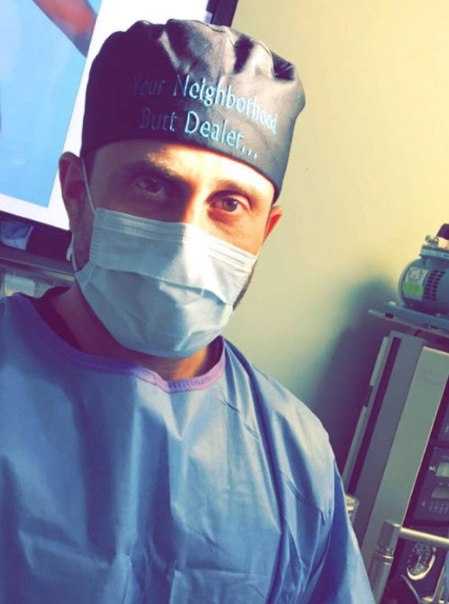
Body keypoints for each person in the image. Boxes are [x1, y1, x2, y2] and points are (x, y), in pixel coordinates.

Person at [0, 19, 375, 603]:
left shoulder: (296, 458)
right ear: (76, 191)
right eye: (152, 185)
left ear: (266, 230)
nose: (186, 238)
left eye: (230, 203)